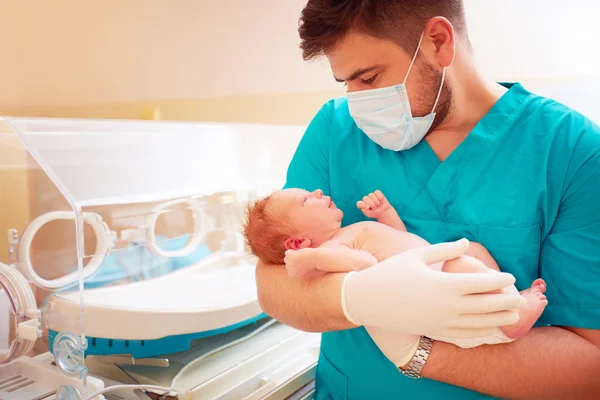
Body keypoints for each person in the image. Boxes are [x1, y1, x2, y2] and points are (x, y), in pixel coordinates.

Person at [255, 0, 600, 398]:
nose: (356, 102)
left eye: (368, 79)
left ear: (438, 42)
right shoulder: (334, 131)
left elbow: (588, 370)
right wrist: (358, 299)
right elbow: (274, 281)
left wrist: (415, 350)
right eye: (345, 82)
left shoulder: (571, 152)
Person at [244, 187, 548, 347]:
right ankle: (509, 319)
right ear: (298, 244)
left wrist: (386, 214)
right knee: (463, 266)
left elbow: (401, 239)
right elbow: (366, 264)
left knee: (475, 253)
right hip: (434, 279)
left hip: (431, 262)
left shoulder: (346, 233)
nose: (318, 193)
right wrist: (314, 259)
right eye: (306, 199)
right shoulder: (330, 250)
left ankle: (507, 296)